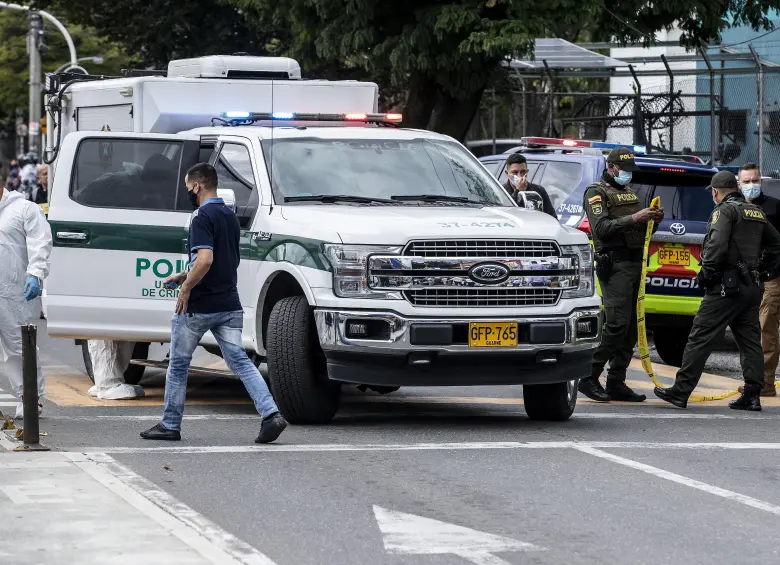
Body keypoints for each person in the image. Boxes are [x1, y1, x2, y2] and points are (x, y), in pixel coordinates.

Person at [141, 163, 287, 443]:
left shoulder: (201, 217)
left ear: (197, 185)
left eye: (188, 188)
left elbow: (206, 259)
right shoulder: (230, 217)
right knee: (242, 363)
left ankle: (170, 425)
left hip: (199, 308)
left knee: (178, 366)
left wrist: (186, 287)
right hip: (229, 304)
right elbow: (223, 259)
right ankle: (271, 415)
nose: (188, 193)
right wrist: (184, 273)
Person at [655, 171, 780, 410]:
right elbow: (776, 244)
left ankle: (680, 392)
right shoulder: (756, 212)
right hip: (751, 286)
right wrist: (762, 270)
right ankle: (753, 394)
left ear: (715, 192)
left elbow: (717, 243)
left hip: (725, 285)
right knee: (750, 340)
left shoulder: (724, 211)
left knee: (700, 337)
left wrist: (706, 273)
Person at [578, 146, 665, 402]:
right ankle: (589, 376)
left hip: (635, 263)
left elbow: (638, 229)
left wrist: (652, 219)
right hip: (614, 265)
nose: (628, 175)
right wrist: (636, 217)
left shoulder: (627, 193)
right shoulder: (596, 193)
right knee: (615, 324)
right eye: (624, 170)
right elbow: (602, 228)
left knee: (630, 328)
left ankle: (616, 380)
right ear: (612, 167)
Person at [0, 169, 52, 419]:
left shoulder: (24, 209)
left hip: (14, 292)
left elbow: (40, 241)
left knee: (18, 347)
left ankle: (30, 398)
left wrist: (36, 273)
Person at [737, 162, 780, 397]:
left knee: (766, 330)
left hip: (771, 278)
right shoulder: (734, 208)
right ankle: (752, 380)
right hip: (744, 279)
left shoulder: (774, 207)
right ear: (738, 184)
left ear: (761, 181)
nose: (751, 185)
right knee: (746, 330)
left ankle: (764, 384)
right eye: (747, 181)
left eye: (755, 180)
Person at [502, 153, 558, 218]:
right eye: (515, 172)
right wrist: (517, 191)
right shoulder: (501, 192)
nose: (519, 176)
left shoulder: (539, 191)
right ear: (507, 173)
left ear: (527, 172)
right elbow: (506, 213)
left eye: (523, 172)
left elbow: (552, 216)